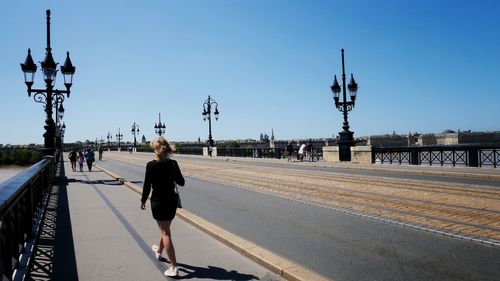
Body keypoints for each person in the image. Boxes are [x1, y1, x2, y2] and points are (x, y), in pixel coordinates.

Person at [141, 137, 185, 277]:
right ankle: (159, 251)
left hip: (158, 201)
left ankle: (174, 267)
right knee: (165, 229)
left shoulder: (151, 165)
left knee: (165, 232)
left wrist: (143, 200)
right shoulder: (173, 164)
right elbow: (181, 182)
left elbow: (147, 185)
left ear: (155, 150)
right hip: (171, 201)